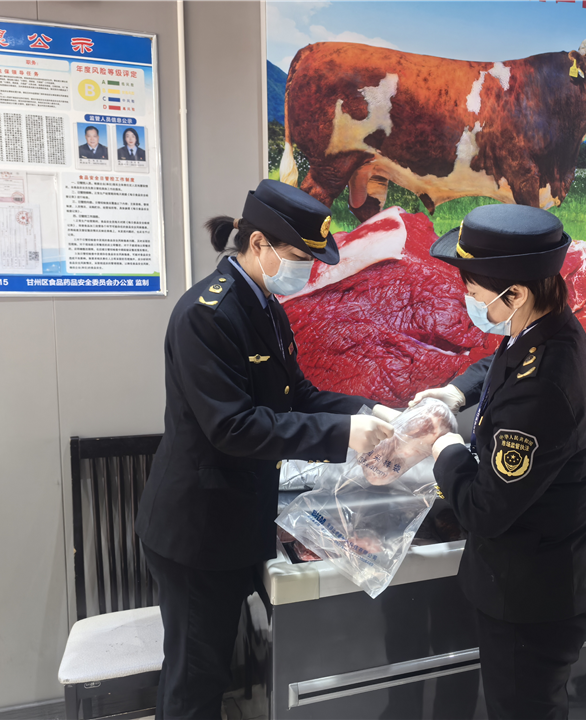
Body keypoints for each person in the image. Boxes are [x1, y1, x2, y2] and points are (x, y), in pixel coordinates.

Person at [135, 179, 397, 719]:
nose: (309, 271)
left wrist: (371, 411)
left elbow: (297, 394)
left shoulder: (266, 306)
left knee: (212, 669)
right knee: (194, 683)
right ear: (259, 244)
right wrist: (345, 435)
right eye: (301, 259)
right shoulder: (208, 315)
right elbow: (233, 427)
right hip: (199, 531)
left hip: (236, 518)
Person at [415, 204, 586, 719]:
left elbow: (485, 508)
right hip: (534, 578)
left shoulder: (544, 385)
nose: (469, 300)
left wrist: (442, 445)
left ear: (515, 294)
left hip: (531, 598)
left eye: (474, 291)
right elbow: (502, 361)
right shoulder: (546, 329)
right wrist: (456, 393)